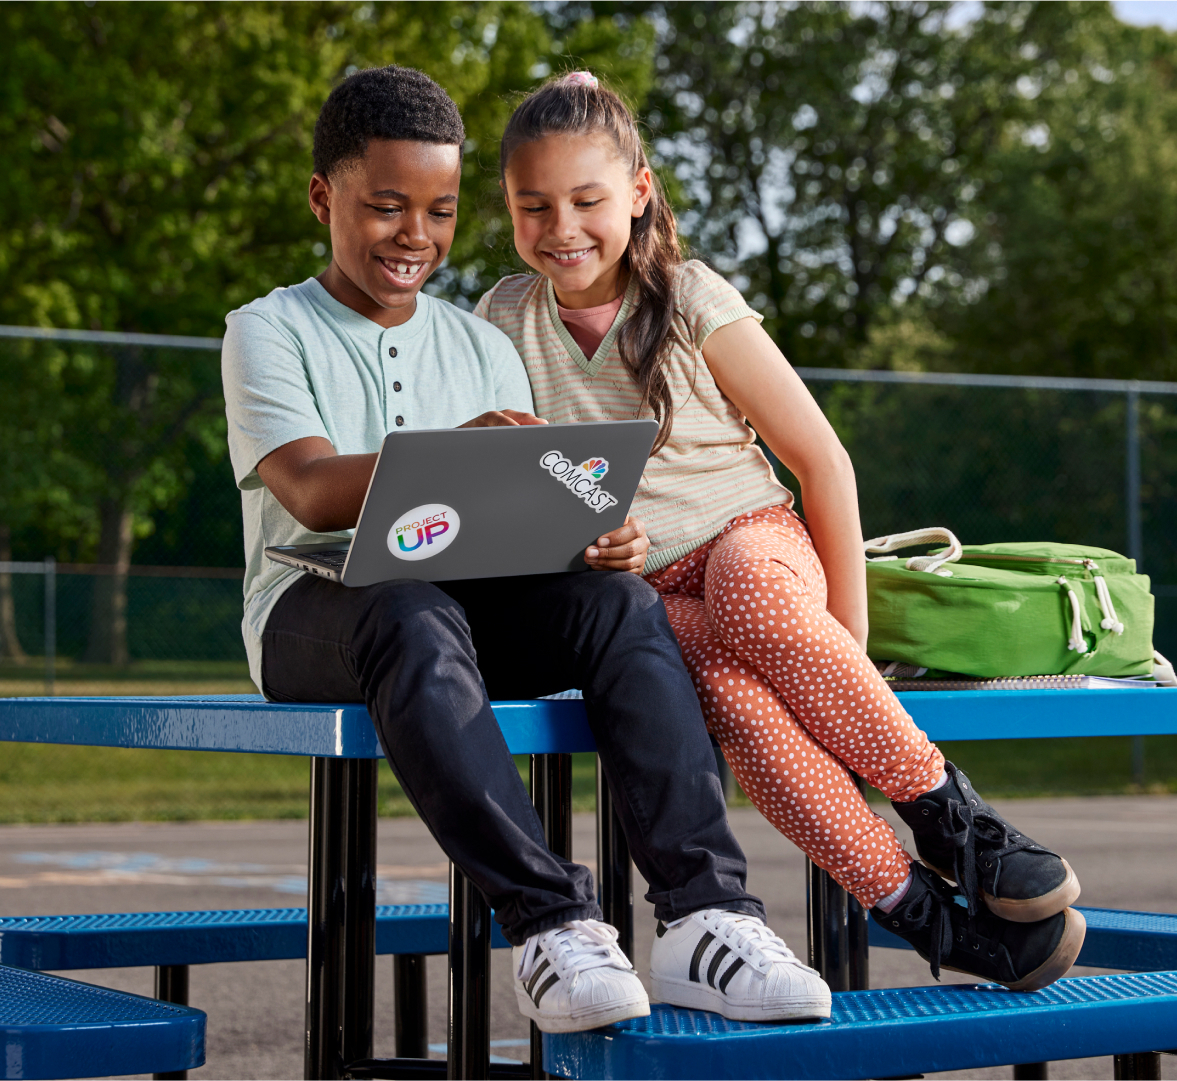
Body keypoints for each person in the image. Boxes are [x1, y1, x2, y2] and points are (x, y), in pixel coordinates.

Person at [221, 66, 830, 1031]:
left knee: (620, 606)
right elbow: (307, 486)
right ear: (322, 197)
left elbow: (536, 504)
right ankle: (552, 925)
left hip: (455, 608)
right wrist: (451, 452)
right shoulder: (268, 330)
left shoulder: (480, 343)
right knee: (408, 610)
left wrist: (598, 535)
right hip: (316, 612)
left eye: (440, 211)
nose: (414, 236)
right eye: (385, 207)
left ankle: (705, 918)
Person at [475, 72, 1086, 991]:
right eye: (534, 205)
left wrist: (848, 644)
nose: (561, 226)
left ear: (638, 193)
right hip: (637, 594)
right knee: (746, 718)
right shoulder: (500, 320)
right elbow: (523, 494)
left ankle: (960, 825)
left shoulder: (688, 297)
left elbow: (822, 462)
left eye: (587, 200)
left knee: (756, 604)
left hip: (747, 541)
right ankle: (927, 919)